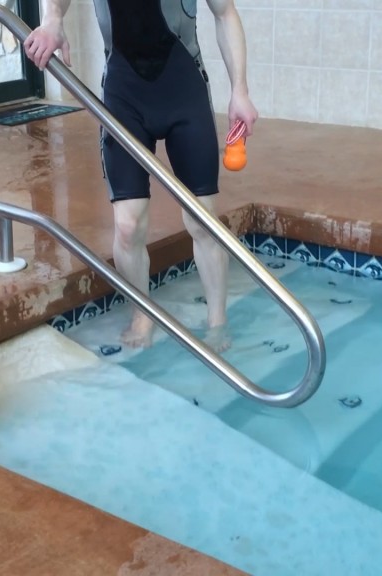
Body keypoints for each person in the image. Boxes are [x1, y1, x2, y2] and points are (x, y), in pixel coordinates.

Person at [24, 0, 258, 351]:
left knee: (203, 221)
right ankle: (142, 313)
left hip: (183, 90)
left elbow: (225, 13)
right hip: (125, 94)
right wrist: (53, 18)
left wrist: (240, 90)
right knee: (128, 226)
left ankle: (217, 320)